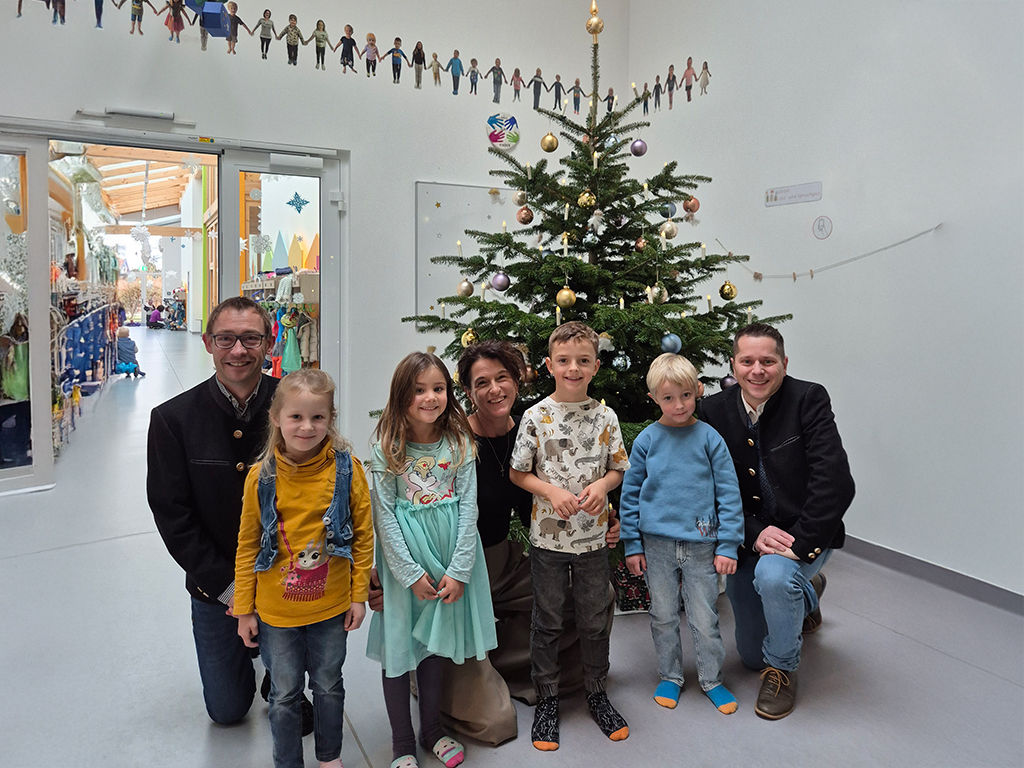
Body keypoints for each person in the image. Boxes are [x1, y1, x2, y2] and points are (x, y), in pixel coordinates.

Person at [148, 296, 304, 727]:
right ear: (208, 343)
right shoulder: (173, 420)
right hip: (216, 585)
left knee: (288, 689)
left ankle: (282, 676)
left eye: (251, 338)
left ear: (268, 342)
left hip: (288, 576)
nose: (238, 350)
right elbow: (172, 516)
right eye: (226, 339)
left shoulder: (298, 407)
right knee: (227, 710)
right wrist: (230, 589)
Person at [699, 323, 855, 720]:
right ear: (733, 365)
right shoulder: (712, 410)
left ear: (784, 363)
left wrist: (798, 546)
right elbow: (708, 488)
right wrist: (752, 533)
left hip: (802, 533)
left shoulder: (809, 399)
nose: (757, 370)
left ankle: (783, 669)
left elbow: (835, 482)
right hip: (749, 536)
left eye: (768, 361)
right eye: (747, 361)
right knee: (751, 656)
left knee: (774, 577)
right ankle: (807, 593)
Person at [234, 369, 373, 768]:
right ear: (276, 418)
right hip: (277, 614)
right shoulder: (261, 478)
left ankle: (329, 757)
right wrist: (244, 609)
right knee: (284, 693)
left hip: (331, 608)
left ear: (331, 418)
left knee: (328, 684)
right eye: (296, 416)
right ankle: (287, 761)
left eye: (318, 417)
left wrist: (358, 597)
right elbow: (247, 545)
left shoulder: (348, 471)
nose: (307, 427)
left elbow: (363, 537)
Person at [366, 352, 497, 768]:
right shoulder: (386, 448)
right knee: (399, 649)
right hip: (406, 567)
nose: (430, 397)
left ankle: (433, 730)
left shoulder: (459, 443)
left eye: (438, 388)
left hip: (448, 562)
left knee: (436, 647)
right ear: (400, 395)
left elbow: (469, 508)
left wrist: (459, 570)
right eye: (419, 390)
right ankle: (402, 742)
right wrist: (407, 573)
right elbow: (384, 516)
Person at [510, 322, 631, 751]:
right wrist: (550, 491)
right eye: (563, 361)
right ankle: (547, 698)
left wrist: (603, 486)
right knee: (547, 620)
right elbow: (518, 473)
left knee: (595, 618)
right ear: (549, 365)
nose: (573, 368)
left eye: (583, 361)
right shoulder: (535, 416)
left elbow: (617, 468)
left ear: (596, 366)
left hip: (594, 542)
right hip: (548, 544)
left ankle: (596, 691)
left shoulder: (606, 417)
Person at [619, 353, 743, 715]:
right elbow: (629, 494)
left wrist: (728, 546)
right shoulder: (646, 440)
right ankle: (670, 675)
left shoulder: (710, 439)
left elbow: (729, 493)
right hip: (656, 545)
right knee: (663, 614)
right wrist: (632, 544)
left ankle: (712, 679)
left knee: (704, 617)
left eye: (686, 396)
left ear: (697, 391)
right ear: (654, 398)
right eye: (669, 398)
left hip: (703, 544)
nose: (679, 405)